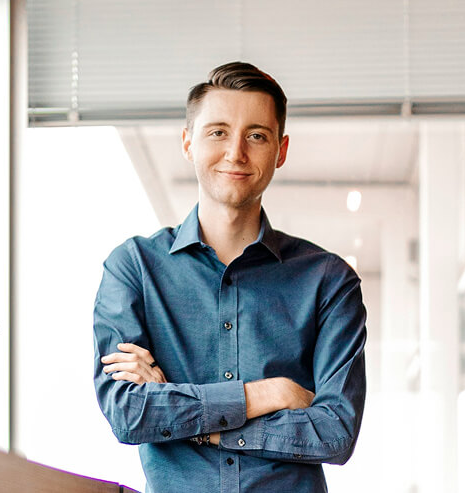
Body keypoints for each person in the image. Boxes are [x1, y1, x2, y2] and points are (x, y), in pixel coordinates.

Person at [92, 61, 367, 493]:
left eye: (256, 135)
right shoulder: (134, 268)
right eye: (217, 131)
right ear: (188, 142)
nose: (236, 152)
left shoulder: (329, 281)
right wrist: (270, 394)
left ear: (281, 149)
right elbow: (129, 413)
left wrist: (191, 420)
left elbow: (335, 432)